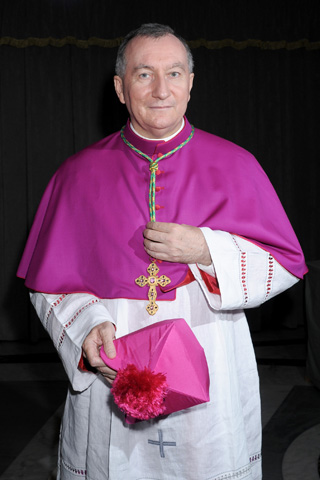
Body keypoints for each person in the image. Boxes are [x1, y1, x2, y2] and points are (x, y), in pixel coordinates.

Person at [17, 23, 307, 480]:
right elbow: (47, 282)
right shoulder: (77, 174)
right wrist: (88, 327)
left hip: (209, 345)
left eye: (174, 73)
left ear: (191, 83)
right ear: (119, 87)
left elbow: (285, 264)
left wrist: (207, 248)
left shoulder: (237, 164)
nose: (160, 90)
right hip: (113, 362)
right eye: (143, 74)